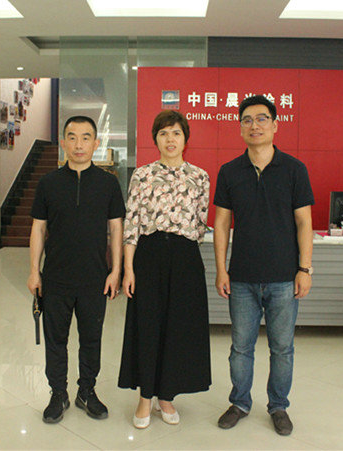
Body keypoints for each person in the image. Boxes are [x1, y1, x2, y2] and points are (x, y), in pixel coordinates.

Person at [213, 95, 314, 436]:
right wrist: (221, 269)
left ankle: (278, 406)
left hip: (284, 278)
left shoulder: (294, 169)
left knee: (282, 349)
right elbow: (222, 224)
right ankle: (240, 402)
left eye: (261, 119)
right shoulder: (229, 172)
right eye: (247, 120)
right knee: (240, 348)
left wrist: (304, 269)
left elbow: (304, 222)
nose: (254, 125)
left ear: (274, 124)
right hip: (241, 278)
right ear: (240, 127)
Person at [27, 115, 125, 424]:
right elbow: (38, 229)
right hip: (55, 278)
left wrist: (116, 271)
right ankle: (58, 393)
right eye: (72, 137)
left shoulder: (108, 183)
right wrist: (34, 271)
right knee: (56, 340)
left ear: (96, 143)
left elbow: (116, 229)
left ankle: (87, 391)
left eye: (85, 138)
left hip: (95, 278)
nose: (79, 144)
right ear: (63, 143)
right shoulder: (48, 183)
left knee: (91, 339)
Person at [118, 110, 211, 429]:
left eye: (176, 133)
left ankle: (167, 395)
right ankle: (145, 396)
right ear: (155, 139)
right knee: (147, 325)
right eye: (163, 133)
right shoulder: (142, 176)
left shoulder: (200, 177)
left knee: (178, 328)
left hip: (185, 259)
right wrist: (128, 269)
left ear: (185, 139)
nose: (170, 139)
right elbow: (132, 224)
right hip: (149, 255)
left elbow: (200, 224)